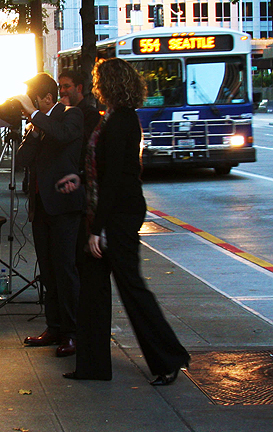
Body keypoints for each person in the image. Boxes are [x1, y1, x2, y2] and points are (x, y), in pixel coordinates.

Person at [57, 58, 190, 385]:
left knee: (131, 288)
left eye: (100, 80)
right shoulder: (115, 118)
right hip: (111, 212)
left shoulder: (120, 122)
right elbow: (105, 169)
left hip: (118, 217)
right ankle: (93, 366)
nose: (96, 86)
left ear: (111, 84)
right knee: (93, 290)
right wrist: (81, 178)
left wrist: (97, 230)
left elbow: (115, 179)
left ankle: (169, 358)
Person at [14, 72, 85, 358]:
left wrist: (35, 116)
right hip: (41, 207)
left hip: (64, 205)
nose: (27, 108)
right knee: (48, 270)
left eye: (32, 102)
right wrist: (31, 130)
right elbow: (22, 160)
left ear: (46, 98)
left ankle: (72, 332)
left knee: (65, 269)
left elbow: (62, 135)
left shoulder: (71, 115)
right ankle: (54, 326)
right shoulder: (38, 124)